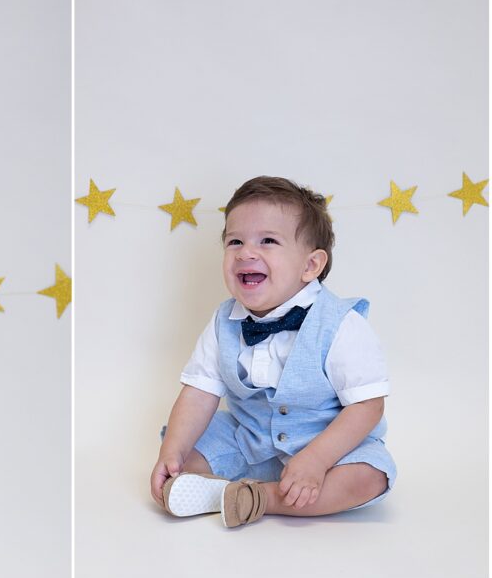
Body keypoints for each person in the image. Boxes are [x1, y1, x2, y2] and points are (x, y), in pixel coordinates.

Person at [150, 176, 395, 527]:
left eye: (267, 241)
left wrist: (317, 458)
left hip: (328, 447)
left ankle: (260, 498)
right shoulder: (224, 321)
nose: (246, 252)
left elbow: (367, 406)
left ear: (310, 266)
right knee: (187, 452)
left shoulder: (340, 324)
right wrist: (171, 451)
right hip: (250, 441)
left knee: (370, 475)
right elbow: (199, 392)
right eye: (235, 241)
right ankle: (217, 488)